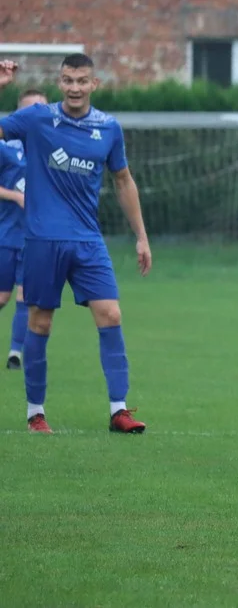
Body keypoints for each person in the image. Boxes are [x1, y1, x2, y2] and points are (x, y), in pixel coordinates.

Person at [0, 55, 152, 435]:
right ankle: (36, 413)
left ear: (94, 84)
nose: (74, 88)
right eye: (68, 80)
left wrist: (141, 237)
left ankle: (119, 410)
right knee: (40, 322)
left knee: (111, 314)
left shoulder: (108, 128)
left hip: (87, 240)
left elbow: (123, 181)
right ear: (60, 81)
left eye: (82, 81)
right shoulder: (37, 119)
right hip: (42, 240)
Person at [0, 89, 48, 371]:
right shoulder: (6, 147)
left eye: (42, 108)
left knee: (25, 296)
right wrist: (15, 196)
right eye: (31, 109)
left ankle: (16, 352)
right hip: (6, 233)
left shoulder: (50, 148)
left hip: (36, 237)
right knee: (3, 297)